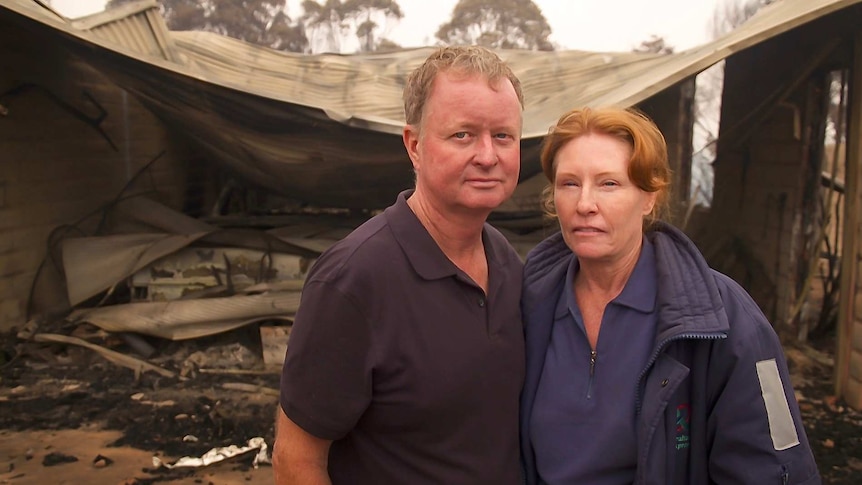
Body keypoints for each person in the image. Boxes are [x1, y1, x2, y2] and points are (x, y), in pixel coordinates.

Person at [519, 106, 821, 484]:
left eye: (609, 183)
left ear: (649, 198)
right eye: (569, 184)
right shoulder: (527, 305)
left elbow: (774, 468)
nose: (584, 204)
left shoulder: (727, 318)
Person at [273, 45, 526, 484]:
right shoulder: (353, 280)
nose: (488, 155)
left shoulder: (506, 262)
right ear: (414, 145)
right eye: (463, 135)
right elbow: (296, 461)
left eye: (503, 135)